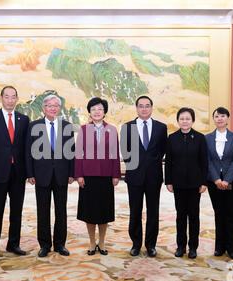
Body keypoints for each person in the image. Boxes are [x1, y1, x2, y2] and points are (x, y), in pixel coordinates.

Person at [0, 86, 30, 259]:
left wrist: (29, 172)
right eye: (7, 97)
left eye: (13, 97)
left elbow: (27, 149)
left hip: (18, 173)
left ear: (17, 99)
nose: (10, 100)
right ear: (1, 98)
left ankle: (13, 244)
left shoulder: (24, 119)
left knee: (16, 211)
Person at [26, 94, 75, 258]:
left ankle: (60, 244)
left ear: (59, 109)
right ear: (44, 108)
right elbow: (28, 152)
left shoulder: (66, 126)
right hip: (41, 175)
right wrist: (30, 173)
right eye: (50, 106)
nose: (53, 108)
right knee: (43, 211)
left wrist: (72, 173)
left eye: (56, 106)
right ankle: (45, 245)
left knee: (61, 211)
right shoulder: (34, 126)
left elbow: (71, 152)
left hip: (61, 175)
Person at [120, 96, 167, 257]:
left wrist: (150, 162)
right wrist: (136, 166)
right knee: (135, 211)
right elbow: (125, 152)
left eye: (147, 106)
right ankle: (136, 244)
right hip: (135, 176)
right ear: (136, 108)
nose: (144, 109)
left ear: (152, 108)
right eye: (141, 106)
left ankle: (151, 245)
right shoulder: (127, 127)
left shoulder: (161, 128)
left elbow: (162, 150)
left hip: (154, 176)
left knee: (153, 211)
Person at [75, 97, 121, 256]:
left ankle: (101, 242)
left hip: (106, 176)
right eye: (93, 109)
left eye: (100, 109)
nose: (96, 112)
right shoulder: (83, 129)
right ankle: (92, 241)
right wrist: (79, 175)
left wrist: (116, 174)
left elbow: (115, 154)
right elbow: (78, 154)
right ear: (89, 112)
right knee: (89, 210)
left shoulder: (112, 130)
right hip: (88, 176)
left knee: (104, 210)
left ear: (104, 112)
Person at [165, 107, 208, 259]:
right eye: (182, 118)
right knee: (180, 216)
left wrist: (204, 182)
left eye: (187, 118)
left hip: (195, 184)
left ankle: (193, 247)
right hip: (178, 183)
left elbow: (204, 162)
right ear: (178, 121)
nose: (185, 121)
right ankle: (181, 246)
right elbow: (168, 162)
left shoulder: (200, 138)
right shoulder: (172, 138)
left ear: (193, 121)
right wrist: (168, 181)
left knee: (194, 216)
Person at [205, 107, 233, 260]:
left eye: (223, 116)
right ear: (213, 119)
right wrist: (216, 179)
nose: (219, 118)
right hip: (214, 181)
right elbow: (207, 161)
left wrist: (226, 179)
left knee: (231, 214)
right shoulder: (207, 138)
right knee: (219, 213)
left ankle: (232, 248)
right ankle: (219, 246)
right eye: (217, 116)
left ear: (228, 119)